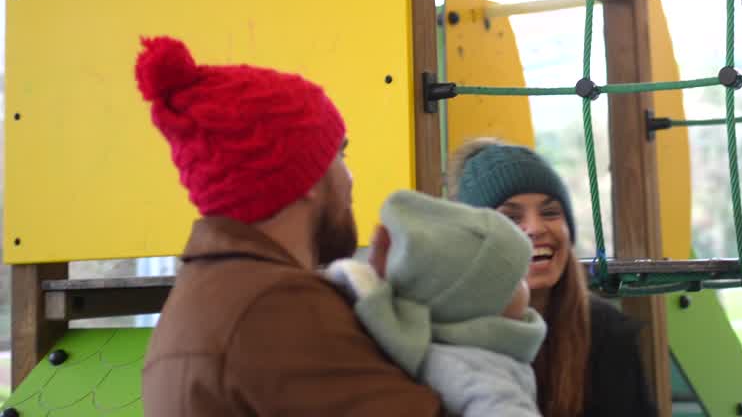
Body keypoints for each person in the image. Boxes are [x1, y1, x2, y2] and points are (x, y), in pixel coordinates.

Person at [135, 36, 445, 415]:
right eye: (339, 155)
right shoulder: (274, 306)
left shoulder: (208, 295)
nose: (349, 177)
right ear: (307, 179)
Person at [448, 138, 658, 417]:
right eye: (511, 217)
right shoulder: (444, 338)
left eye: (550, 213)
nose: (535, 228)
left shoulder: (607, 334)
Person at [325, 189, 547, 417]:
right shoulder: (463, 363)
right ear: (475, 305)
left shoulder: (481, 349)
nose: (525, 281)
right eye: (516, 279)